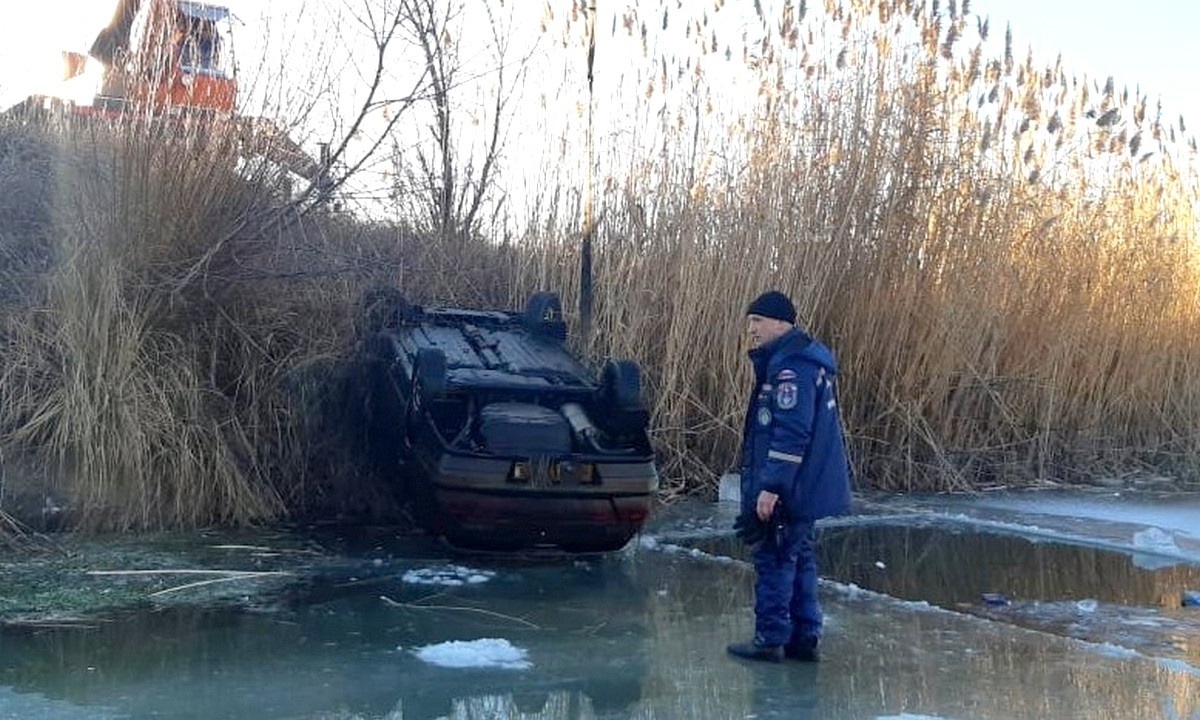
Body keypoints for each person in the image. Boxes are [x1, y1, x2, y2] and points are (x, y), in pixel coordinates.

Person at [727, 290, 852, 663]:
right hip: (804, 485)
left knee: (775, 556)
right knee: (799, 556)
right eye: (750, 321)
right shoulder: (797, 361)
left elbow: (791, 433)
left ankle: (770, 637)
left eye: (758, 321)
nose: (751, 329)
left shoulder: (791, 369)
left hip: (791, 487)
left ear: (782, 323)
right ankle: (803, 637)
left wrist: (772, 488)